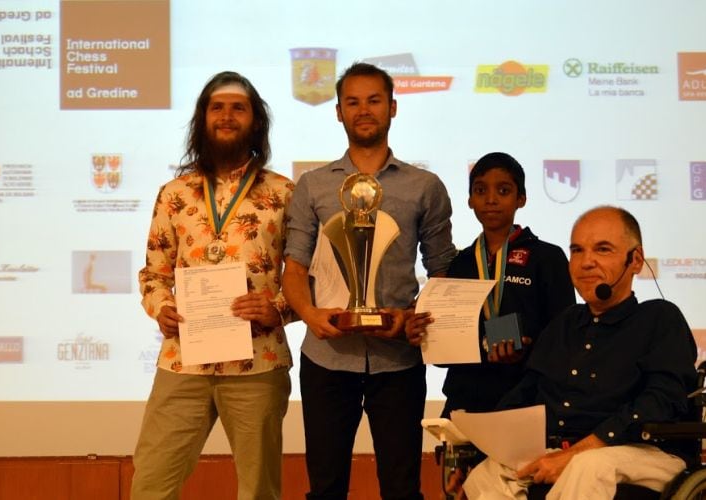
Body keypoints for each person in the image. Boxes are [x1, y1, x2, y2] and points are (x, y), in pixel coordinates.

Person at [282, 62, 457, 500]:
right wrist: (309, 314)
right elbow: (294, 268)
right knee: (325, 488)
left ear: (393, 108)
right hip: (326, 357)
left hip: (397, 361)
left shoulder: (425, 187)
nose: (364, 110)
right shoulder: (312, 186)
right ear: (338, 112)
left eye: (374, 100)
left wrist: (414, 318)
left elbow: (443, 273)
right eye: (353, 102)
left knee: (401, 488)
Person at [131, 71, 294, 500]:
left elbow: (307, 279)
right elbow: (153, 273)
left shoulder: (285, 193)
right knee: (151, 482)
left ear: (255, 121)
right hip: (183, 360)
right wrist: (160, 306)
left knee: (258, 490)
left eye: (238, 108)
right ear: (202, 119)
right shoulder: (174, 193)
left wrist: (277, 307)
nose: (226, 116)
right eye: (216, 107)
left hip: (258, 361)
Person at [461, 206, 698, 499]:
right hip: (566, 449)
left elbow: (661, 400)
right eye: (577, 250)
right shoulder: (566, 322)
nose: (586, 262)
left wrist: (579, 451)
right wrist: (482, 440)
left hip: (645, 451)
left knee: (587, 467)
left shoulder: (660, 318)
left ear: (635, 260)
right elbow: (527, 393)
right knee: (486, 475)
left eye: (603, 249)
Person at [406, 152, 575, 418]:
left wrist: (525, 352)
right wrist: (424, 337)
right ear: (470, 200)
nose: (491, 199)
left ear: (521, 198)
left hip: (526, 399)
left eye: (504, 190)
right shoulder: (460, 263)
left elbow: (565, 336)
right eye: (481, 190)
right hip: (465, 400)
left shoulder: (546, 257)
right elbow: (443, 353)